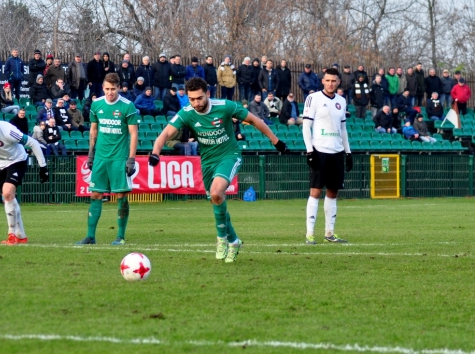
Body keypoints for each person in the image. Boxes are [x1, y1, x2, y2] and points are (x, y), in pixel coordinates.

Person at [150, 77, 288, 262]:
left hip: (229, 156)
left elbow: (254, 120)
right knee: (217, 200)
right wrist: (155, 153)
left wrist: (275, 140)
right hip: (207, 161)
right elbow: (165, 133)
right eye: (192, 99)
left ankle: (221, 239)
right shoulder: (187, 113)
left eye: (199, 98)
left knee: (216, 193)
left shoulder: (225, 106)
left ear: (207, 94)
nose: (196, 103)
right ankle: (233, 240)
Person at [75, 73, 138, 246]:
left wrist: (131, 159)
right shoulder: (97, 105)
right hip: (101, 157)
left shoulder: (128, 106)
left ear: (118, 88)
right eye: (107, 89)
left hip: (119, 157)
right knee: (95, 194)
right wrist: (90, 153)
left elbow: (133, 134)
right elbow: (93, 130)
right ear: (103, 88)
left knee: (121, 195)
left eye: (113, 89)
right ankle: (90, 236)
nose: (110, 92)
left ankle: (120, 236)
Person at [0, 108, 48, 244]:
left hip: (18, 160)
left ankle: (11, 235)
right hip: (0, 165)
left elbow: (33, 143)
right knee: (8, 199)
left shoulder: (9, 131)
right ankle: (21, 236)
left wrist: (43, 166)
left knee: (7, 193)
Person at [302, 68, 352, 246]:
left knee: (333, 193)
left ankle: (329, 233)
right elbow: (306, 127)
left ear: (338, 82)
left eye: (334, 81)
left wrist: (348, 152)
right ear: (323, 81)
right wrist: (309, 151)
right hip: (320, 151)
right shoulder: (313, 98)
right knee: (315, 192)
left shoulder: (341, 101)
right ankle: (310, 234)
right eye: (328, 80)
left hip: (337, 152)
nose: (331, 83)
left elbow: (343, 129)